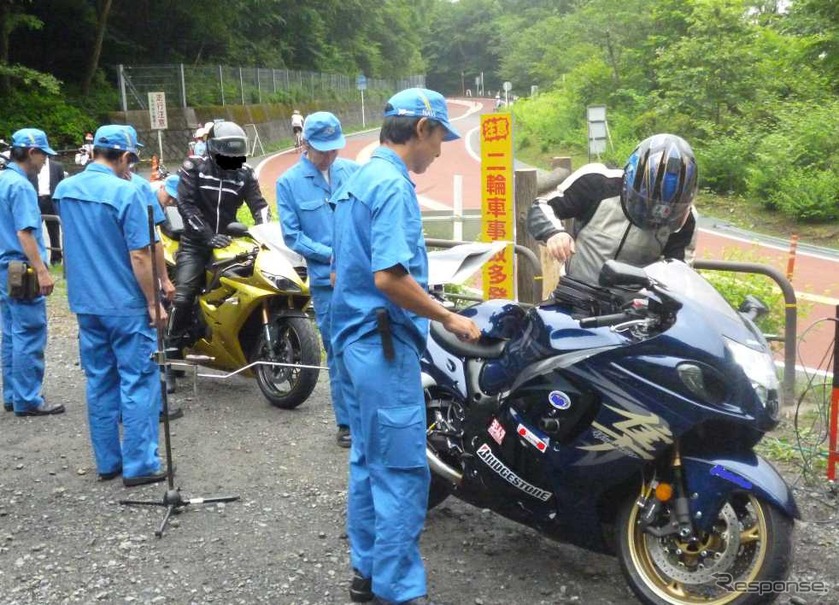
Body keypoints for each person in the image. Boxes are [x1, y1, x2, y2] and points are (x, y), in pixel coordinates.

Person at [330, 88, 481, 605]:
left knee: (369, 460)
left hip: (352, 339)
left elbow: (341, 266)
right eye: (439, 137)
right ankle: (399, 590)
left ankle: (366, 574)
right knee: (401, 470)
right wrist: (449, 317)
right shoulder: (393, 188)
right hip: (384, 344)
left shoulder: (356, 177)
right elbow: (391, 278)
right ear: (421, 129)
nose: (440, 150)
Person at [53, 124, 168, 486]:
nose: (129, 168)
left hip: (86, 302)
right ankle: (140, 465)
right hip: (125, 303)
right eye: (128, 161)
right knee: (138, 380)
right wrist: (154, 302)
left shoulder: (65, 190)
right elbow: (139, 254)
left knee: (100, 380)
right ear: (123, 156)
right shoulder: (125, 193)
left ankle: (108, 462)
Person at [275, 111, 359, 448]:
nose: (330, 155)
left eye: (335, 148)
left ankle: (370, 415)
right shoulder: (288, 183)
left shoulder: (353, 171)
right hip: (327, 282)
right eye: (323, 149)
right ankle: (348, 423)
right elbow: (293, 236)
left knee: (368, 346)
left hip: (361, 277)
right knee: (337, 351)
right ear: (306, 144)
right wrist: (333, 254)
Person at [166, 120, 270, 381]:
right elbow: (186, 206)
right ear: (212, 150)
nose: (232, 160)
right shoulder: (194, 168)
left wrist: (266, 232)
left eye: (236, 155)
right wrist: (208, 236)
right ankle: (170, 352)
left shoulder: (245, 173)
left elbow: (259, 206)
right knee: (184, 294)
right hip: (195, 241)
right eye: (226, 154)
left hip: (229, 240)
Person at [526, 133, 699, 286]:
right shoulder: (597, 182)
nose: (655, 215)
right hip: (575, 293)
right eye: (646, 203)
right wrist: (554, 233)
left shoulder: (686, 217)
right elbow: (542, 205)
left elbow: (679, 271)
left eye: (668, 210)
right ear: (630, 181)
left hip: (636, 310)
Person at [0, 128, 62, 416]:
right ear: (32, 152)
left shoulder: (2, 179)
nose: (43, 162)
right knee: (29, 331)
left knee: (11, 332)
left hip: (4, 268)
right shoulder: (22, 186)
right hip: (21, 267)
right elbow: (25, 233)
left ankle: (13, 394)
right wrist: (42, 271)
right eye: (42, 156)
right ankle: (28, 399)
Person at [28, 153, 65, 265]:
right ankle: (36, 258)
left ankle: (56, 258)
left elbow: (60, 183)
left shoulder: (56, 166)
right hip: (37, 200)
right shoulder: (32, 166)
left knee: (54, 231)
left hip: (50, 199)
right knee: (34, 230)